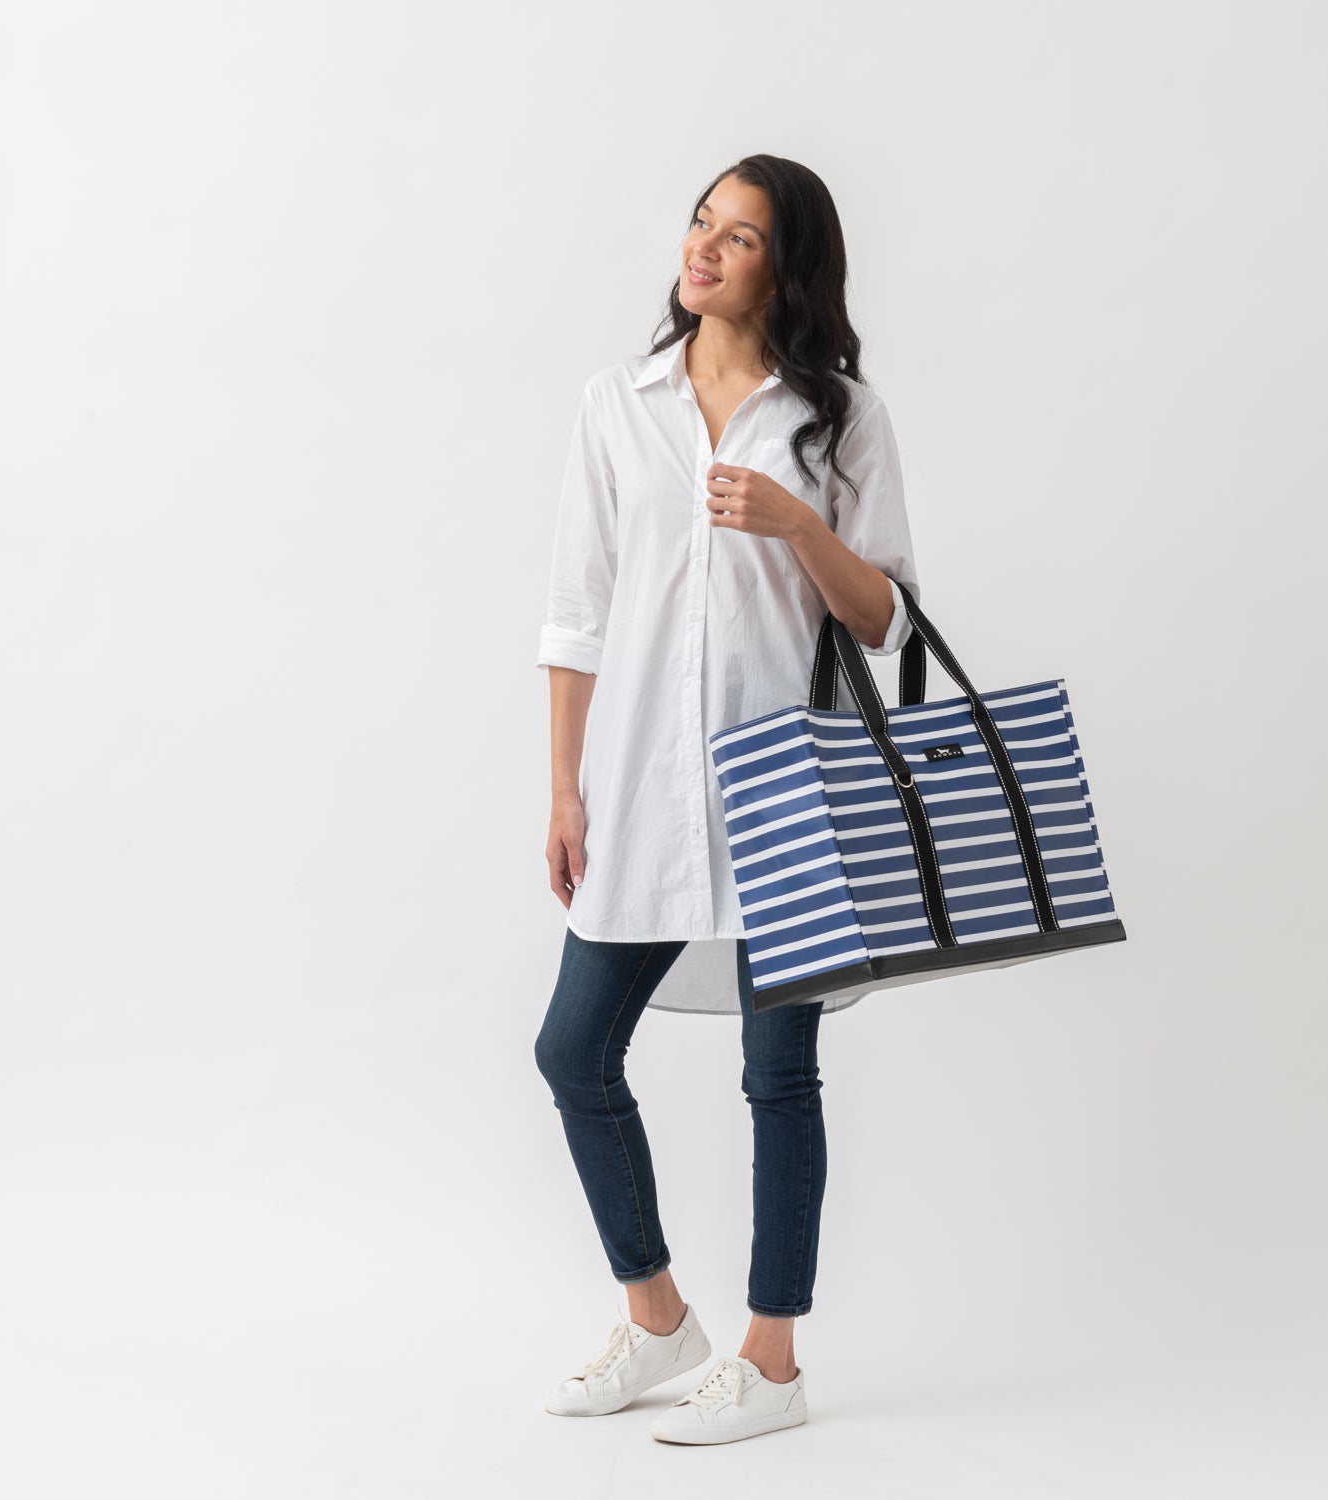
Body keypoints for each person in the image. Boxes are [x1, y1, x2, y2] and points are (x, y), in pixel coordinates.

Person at [532, 154, 921, 1445]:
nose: (704, 247)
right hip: (640, 780)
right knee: (573, 1050)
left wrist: (797, 523)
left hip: (790, 783)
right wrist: (563, 791)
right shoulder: (617, 403)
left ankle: (770, 1361)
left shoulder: (839, 417)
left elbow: (885, 621)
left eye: (740, 236)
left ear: (785, 266)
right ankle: (658, 1322)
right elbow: (576, 614)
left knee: (779, 1073)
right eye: (702, 221)